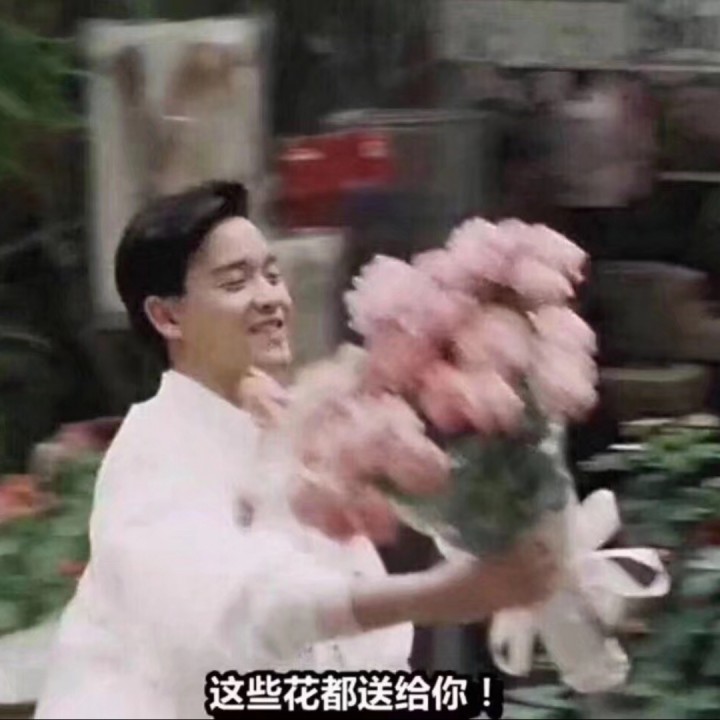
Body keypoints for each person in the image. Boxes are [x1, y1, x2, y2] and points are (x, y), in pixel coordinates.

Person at [34, 181, 557, 719]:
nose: (271, 298)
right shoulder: (153, 456)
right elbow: (237, 645)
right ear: (167, 317)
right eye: (235, 282)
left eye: (272, 274)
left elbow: (355, 663)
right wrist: (437, 597)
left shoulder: (291, 434)